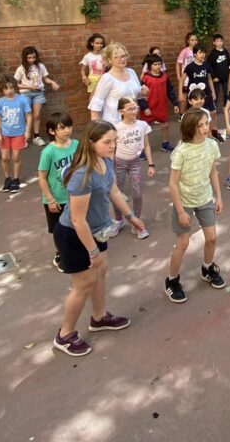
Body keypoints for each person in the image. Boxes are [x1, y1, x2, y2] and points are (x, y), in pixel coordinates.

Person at [52, 120, 145, 357]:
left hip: (97, 229)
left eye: (115, 141)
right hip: (75, 235)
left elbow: (113, 191)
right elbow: (77, 220)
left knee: (101, 273)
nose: (113, 146)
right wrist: (92, 251)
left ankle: (99, 317)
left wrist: (130, 216)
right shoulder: (82, 175)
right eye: (107, 142)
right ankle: (65, 335)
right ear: (91, 143)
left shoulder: (106, 161)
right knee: (83, 285)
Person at [164, 109, 224, 304]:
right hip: (184, 202)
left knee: (212, 237)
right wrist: (181, 211)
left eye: (207, 123)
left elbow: (213, 172)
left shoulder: (212, 145)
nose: (206, 128)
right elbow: (173, 184)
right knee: (183, 244)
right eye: (201, 125)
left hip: (204, 198)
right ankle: (172, 280)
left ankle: (207, 268)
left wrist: (219, 196)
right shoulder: (181, 151)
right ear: (191, 127)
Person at [38, 111, 78, 272]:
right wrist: (50, 200)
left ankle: (75, 251)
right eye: (62, 128)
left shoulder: (76, 145)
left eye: (69, 126)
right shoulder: (48, 152)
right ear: (52, 131)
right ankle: (60, 255)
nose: (67, 130)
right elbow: (42, 177)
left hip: (75, 196)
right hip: (57, 198)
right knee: (59, 230)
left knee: (76, 225)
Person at [111, 97, 154, 239]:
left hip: (135, 163)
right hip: (119, 163)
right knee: (117, 193)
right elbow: (112, 148)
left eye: (135, 108)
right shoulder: (116, 128)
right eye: (130, 109)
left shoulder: (142, 125)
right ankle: (118, 220)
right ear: (121, 111)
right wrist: (110, 167)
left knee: (137, 193)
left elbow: (146, 145)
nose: (134, 111)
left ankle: (137, 224)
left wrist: (151, 164)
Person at [0, 77, 32, 193]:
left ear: (15, 87)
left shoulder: (22, 100)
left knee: (16, 157)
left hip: (19, 133)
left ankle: (16, 179)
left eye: (11, 88)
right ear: (2, 90)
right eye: (6, 88)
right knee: (5, 158)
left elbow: (29, 116)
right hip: (4, 134)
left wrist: (27, 131)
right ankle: (7, 178)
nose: (9, 91)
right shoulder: (0, 102)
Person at [15, 46, 61, 146]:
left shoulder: (40, 66)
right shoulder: (21, 68)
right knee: (26, 116)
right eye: (29, 58)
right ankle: (24, 138)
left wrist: (52, 82)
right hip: (25, 93)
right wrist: (30, 87)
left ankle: (36, 137)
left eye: (34, 57)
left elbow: (45, 79)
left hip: (38, 93)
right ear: (25, 58)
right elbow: (16, 85)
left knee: (37, 115)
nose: (32, 60)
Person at [88, 42, 142, 126]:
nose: (121, 59)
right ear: (110, 60)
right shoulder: (107, 78)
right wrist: (96, 127)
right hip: (113, 123)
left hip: (131, 120)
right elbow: (96, 104)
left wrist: (143, 93)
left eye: (123, 56)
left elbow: (136, 95)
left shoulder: (131, 72)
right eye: (116, 57)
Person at [140, 53, 179, 153]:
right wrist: (144, 107)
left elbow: (170, 90)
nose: (158, 66)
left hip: (161, 107)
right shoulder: (145, 78)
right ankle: (143, 149)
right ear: (150, 66)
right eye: (155, 64)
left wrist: (175, 103)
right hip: (149, 108)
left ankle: (165, 144)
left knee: (165, 125)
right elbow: (140, 95)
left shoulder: (164, 76)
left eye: (159, 64)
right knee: (144, 129)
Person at [184, 44, 222, 142]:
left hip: (206, 93)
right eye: (200, 53)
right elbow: (181, 80)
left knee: (213, 112)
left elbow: (209, 79)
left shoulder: (207, 65)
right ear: (195, 54)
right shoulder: (190, 67)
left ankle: (214, 131)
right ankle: (195, 135)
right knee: (196, 114)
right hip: (195, 96)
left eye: (204, 53)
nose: (202, 55)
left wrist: (213, 92)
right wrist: (180, 93)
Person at [207, 33, 230, 132]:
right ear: (214, 43)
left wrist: (229, 75)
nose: (219, 43)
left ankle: (227, 110)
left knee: (227, 94)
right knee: (215, 96)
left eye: (221, 41)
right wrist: (214, 77)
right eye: (217, 41)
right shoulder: (212, 54)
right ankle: (214, 112)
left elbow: (229, 64)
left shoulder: (225, 52)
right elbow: (209, 67)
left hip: (225, 78)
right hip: (216, 79)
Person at [175, 31, 198, 102]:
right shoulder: (185, 51)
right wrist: (179, 78)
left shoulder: (198, 51)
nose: (194, 42)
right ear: (188, 41)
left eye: (195, 40)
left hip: (196, 77)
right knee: (184, 99)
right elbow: (178, 64)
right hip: (186, 79)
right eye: (192, 40)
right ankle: (182, 110)